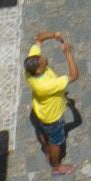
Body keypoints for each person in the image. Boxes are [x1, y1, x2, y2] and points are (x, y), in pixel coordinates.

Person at [23, 39, 78, 173]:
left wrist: (54, 35)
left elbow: (38, 38)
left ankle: (46, 148)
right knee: (56, 142)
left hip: (40, 111)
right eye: (42, 61)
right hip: (52, 118)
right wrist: (68, 53)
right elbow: (74, 75)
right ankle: (56, 166)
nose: (44, 58)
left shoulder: (29, 70)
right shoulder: (45, 85)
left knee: (43, 131)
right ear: (38, 70)